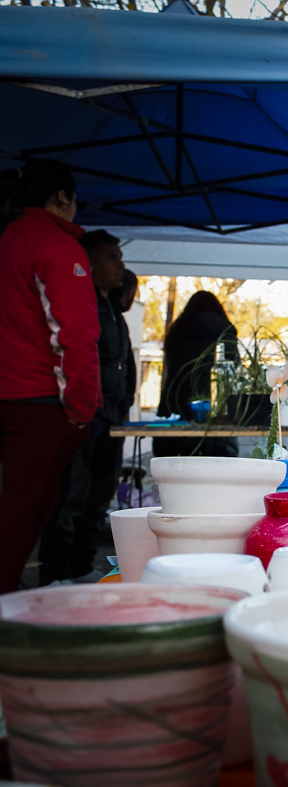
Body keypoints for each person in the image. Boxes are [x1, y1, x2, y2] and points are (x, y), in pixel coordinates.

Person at [0, 159, 100, 593]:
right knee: (25, 510)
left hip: (16, 393)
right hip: (38, 399)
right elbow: (74, 332)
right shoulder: (55, 245)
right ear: (63, 197)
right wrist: (81, 410)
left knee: (22, 508)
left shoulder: (9, 237)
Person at [38, 230, 133, 585]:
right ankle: (55, 574)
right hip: (83, 411)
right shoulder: (82, 301)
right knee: (72, 494)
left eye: (120, 258)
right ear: (89, 263)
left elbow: (123, 363)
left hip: (111, 415)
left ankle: (80, 567)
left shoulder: (113, 309)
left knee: (100, 494)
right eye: (112, 258)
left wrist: (123, 404)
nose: (120, 266)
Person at [154, 291, 239, 458]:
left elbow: (171, 371)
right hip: (216, 413)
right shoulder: (226, 334)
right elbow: (233, 373)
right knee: (218, 467)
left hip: (176, 412)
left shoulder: (177, 333)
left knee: (175, 468)